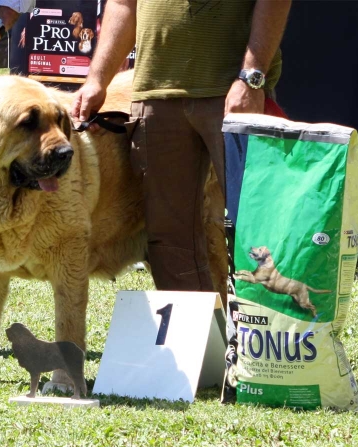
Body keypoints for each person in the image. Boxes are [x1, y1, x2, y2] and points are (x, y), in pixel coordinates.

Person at [72, 0, 292, 294]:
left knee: (262, 224)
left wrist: (251, 78)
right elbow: (123, 4)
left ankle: (274, 335)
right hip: (155, 93)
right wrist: (98, 79)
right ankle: (200, 339)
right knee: (170, 239)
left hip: (233, 93)